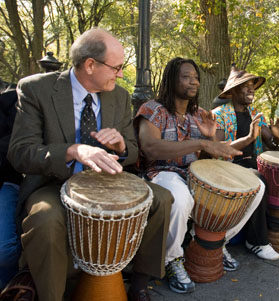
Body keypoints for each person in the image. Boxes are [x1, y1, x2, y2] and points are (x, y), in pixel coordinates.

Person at [7, 28, 173, 301]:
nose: (120, 74)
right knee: (45, 219)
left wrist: (120, 147)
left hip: (106, 182)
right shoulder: (36, 89)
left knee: (162, 199)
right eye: (116, 67)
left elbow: (131, 153)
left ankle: (140, 284)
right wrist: (72, 151)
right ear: (90, 65)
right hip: (55, 182)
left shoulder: (119, 97)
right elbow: (20, 153)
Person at [135, 57, 264, 294]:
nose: (193, 82)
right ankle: (172, 259)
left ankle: (212, 242)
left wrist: (215, 138)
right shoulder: (153, 109)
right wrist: (200, 143)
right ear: (171, 79)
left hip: (195, 174)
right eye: (186, 77)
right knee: (182, 197)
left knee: (256, 188)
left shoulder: (200, 115)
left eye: (195, 77)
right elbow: (150, 148)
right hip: (162, 173)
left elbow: (214, 153)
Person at [213, 65, 279, 261]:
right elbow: (219, 148)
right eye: (245, 86)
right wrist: (248, 137)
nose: (251, 89)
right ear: (232, 91)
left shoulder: (255, 113)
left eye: (252, 86)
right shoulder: (219, 114)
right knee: (259, 180)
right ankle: (256, 241)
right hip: (228, 166)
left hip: (253, 164)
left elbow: (271, 143)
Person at [0, 86, 22, 290]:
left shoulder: (12, 101)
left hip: (6, 181)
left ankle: (9, 289)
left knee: (4, 251)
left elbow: (15, 147)